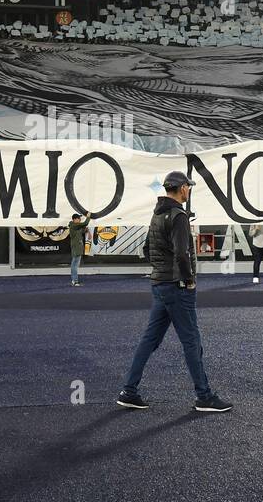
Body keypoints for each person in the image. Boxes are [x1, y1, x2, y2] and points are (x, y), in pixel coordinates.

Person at [117, 171, 231, 413]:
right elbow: (182, 254)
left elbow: (147, 248)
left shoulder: (157, 214)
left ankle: (129, 390)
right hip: (177, 287)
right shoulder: (178, 216)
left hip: (160, 285)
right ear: (181, 189)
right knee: (192, 341)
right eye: (187, 187)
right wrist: (188, 280)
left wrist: (160, 270)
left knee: (149, 340)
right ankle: (204, 396)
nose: (189, 190)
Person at [68, 211, 90, 286]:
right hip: (76, 248)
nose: (80, 220)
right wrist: (88, 216)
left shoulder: (75, 226)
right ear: (75, 219)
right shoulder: (74, 225)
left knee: (74, 265)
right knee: (74, 265)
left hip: (78, 247)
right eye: (79, 219)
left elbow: (81, 231)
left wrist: (86, 231)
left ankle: (74, 280)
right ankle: (75, 281)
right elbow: (85, 223)